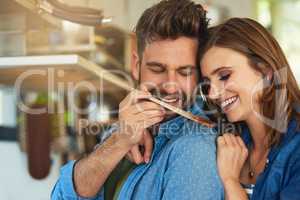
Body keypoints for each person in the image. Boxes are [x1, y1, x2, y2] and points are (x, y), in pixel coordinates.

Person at [51, 0, 223, 199]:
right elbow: (61, 196)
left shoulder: (194, 150)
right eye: (157, 69)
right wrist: (120, 140)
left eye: (185, 72)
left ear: (200, 73)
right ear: (136, 65)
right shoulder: (123, 130)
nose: (170, 85)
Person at [199, 17, 300, 200]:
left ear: (266, 72)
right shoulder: (233, 140)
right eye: (207, 85)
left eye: (224, 76)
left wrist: (230, 182)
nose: (213, 94)